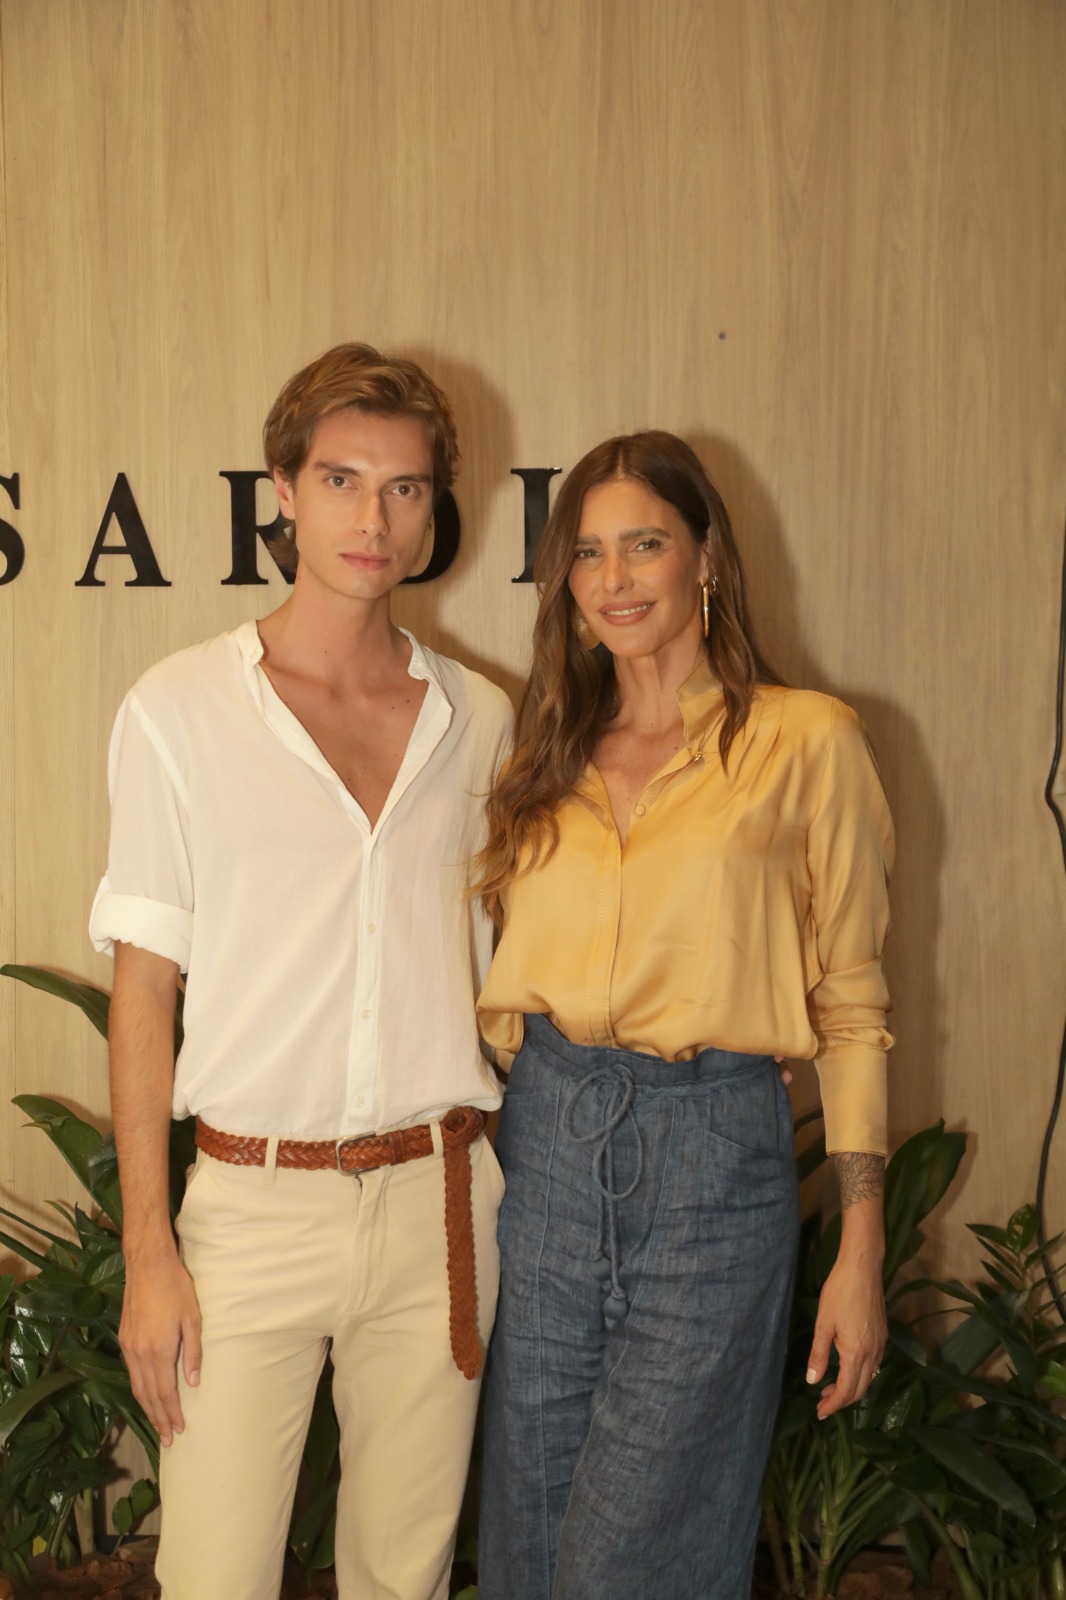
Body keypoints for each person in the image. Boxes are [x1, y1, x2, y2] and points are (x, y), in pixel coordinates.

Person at [89, 343, 512, 1600]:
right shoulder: (177, 711)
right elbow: (143, 990)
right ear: (282, 490)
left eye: (404, 488)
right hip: (250, 1213)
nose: (372, 519)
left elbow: (524, 968)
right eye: (340, 480)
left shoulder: (482, 721)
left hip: (440, 1205)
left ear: (432, 511)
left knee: (403, 1577)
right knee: (213, 1578)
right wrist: (150, 1251)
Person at [474, 431, 893, 1600]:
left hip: (713, 1165)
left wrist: (859, 1244)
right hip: (546, 1149)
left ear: (704, 556)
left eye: (643, 544)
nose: (612, 578)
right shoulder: (539, 752)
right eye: (586, 553)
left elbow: (853, 1002)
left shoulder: (807, 740)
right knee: (527, 1553)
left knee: (629, 1565)